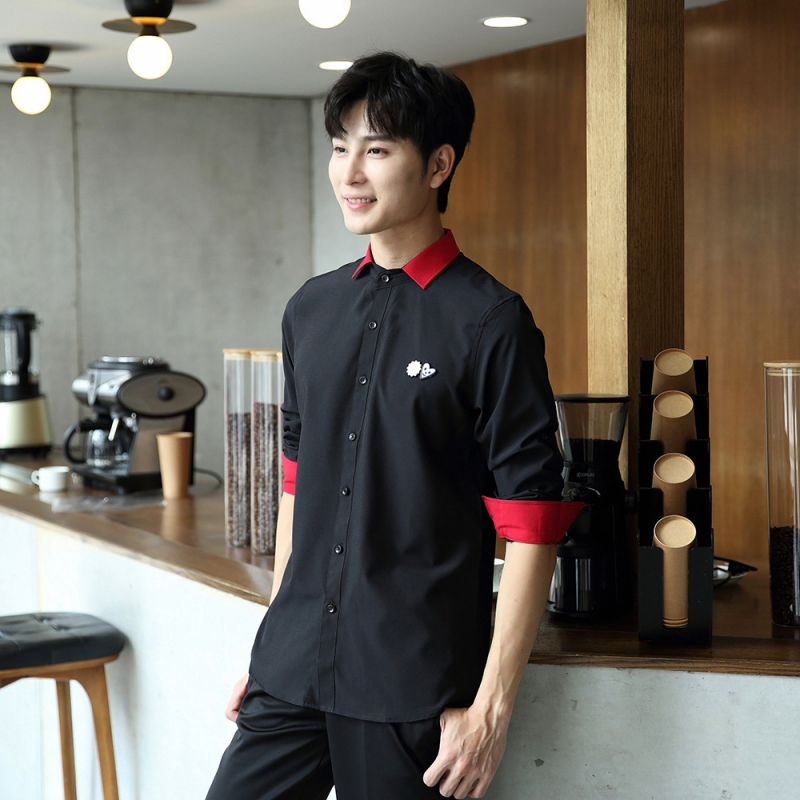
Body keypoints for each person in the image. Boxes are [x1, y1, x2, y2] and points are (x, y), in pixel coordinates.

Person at [205, 51, 581, 800]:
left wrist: (491, 709)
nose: (349, 173)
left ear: (438, 164)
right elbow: (297, 484)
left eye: (376, 150)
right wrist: (272, 641)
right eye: (339, 147)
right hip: (292, 667)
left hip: (411, 686)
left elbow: (532, 523)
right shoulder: (310, 309)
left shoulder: (491, 321)